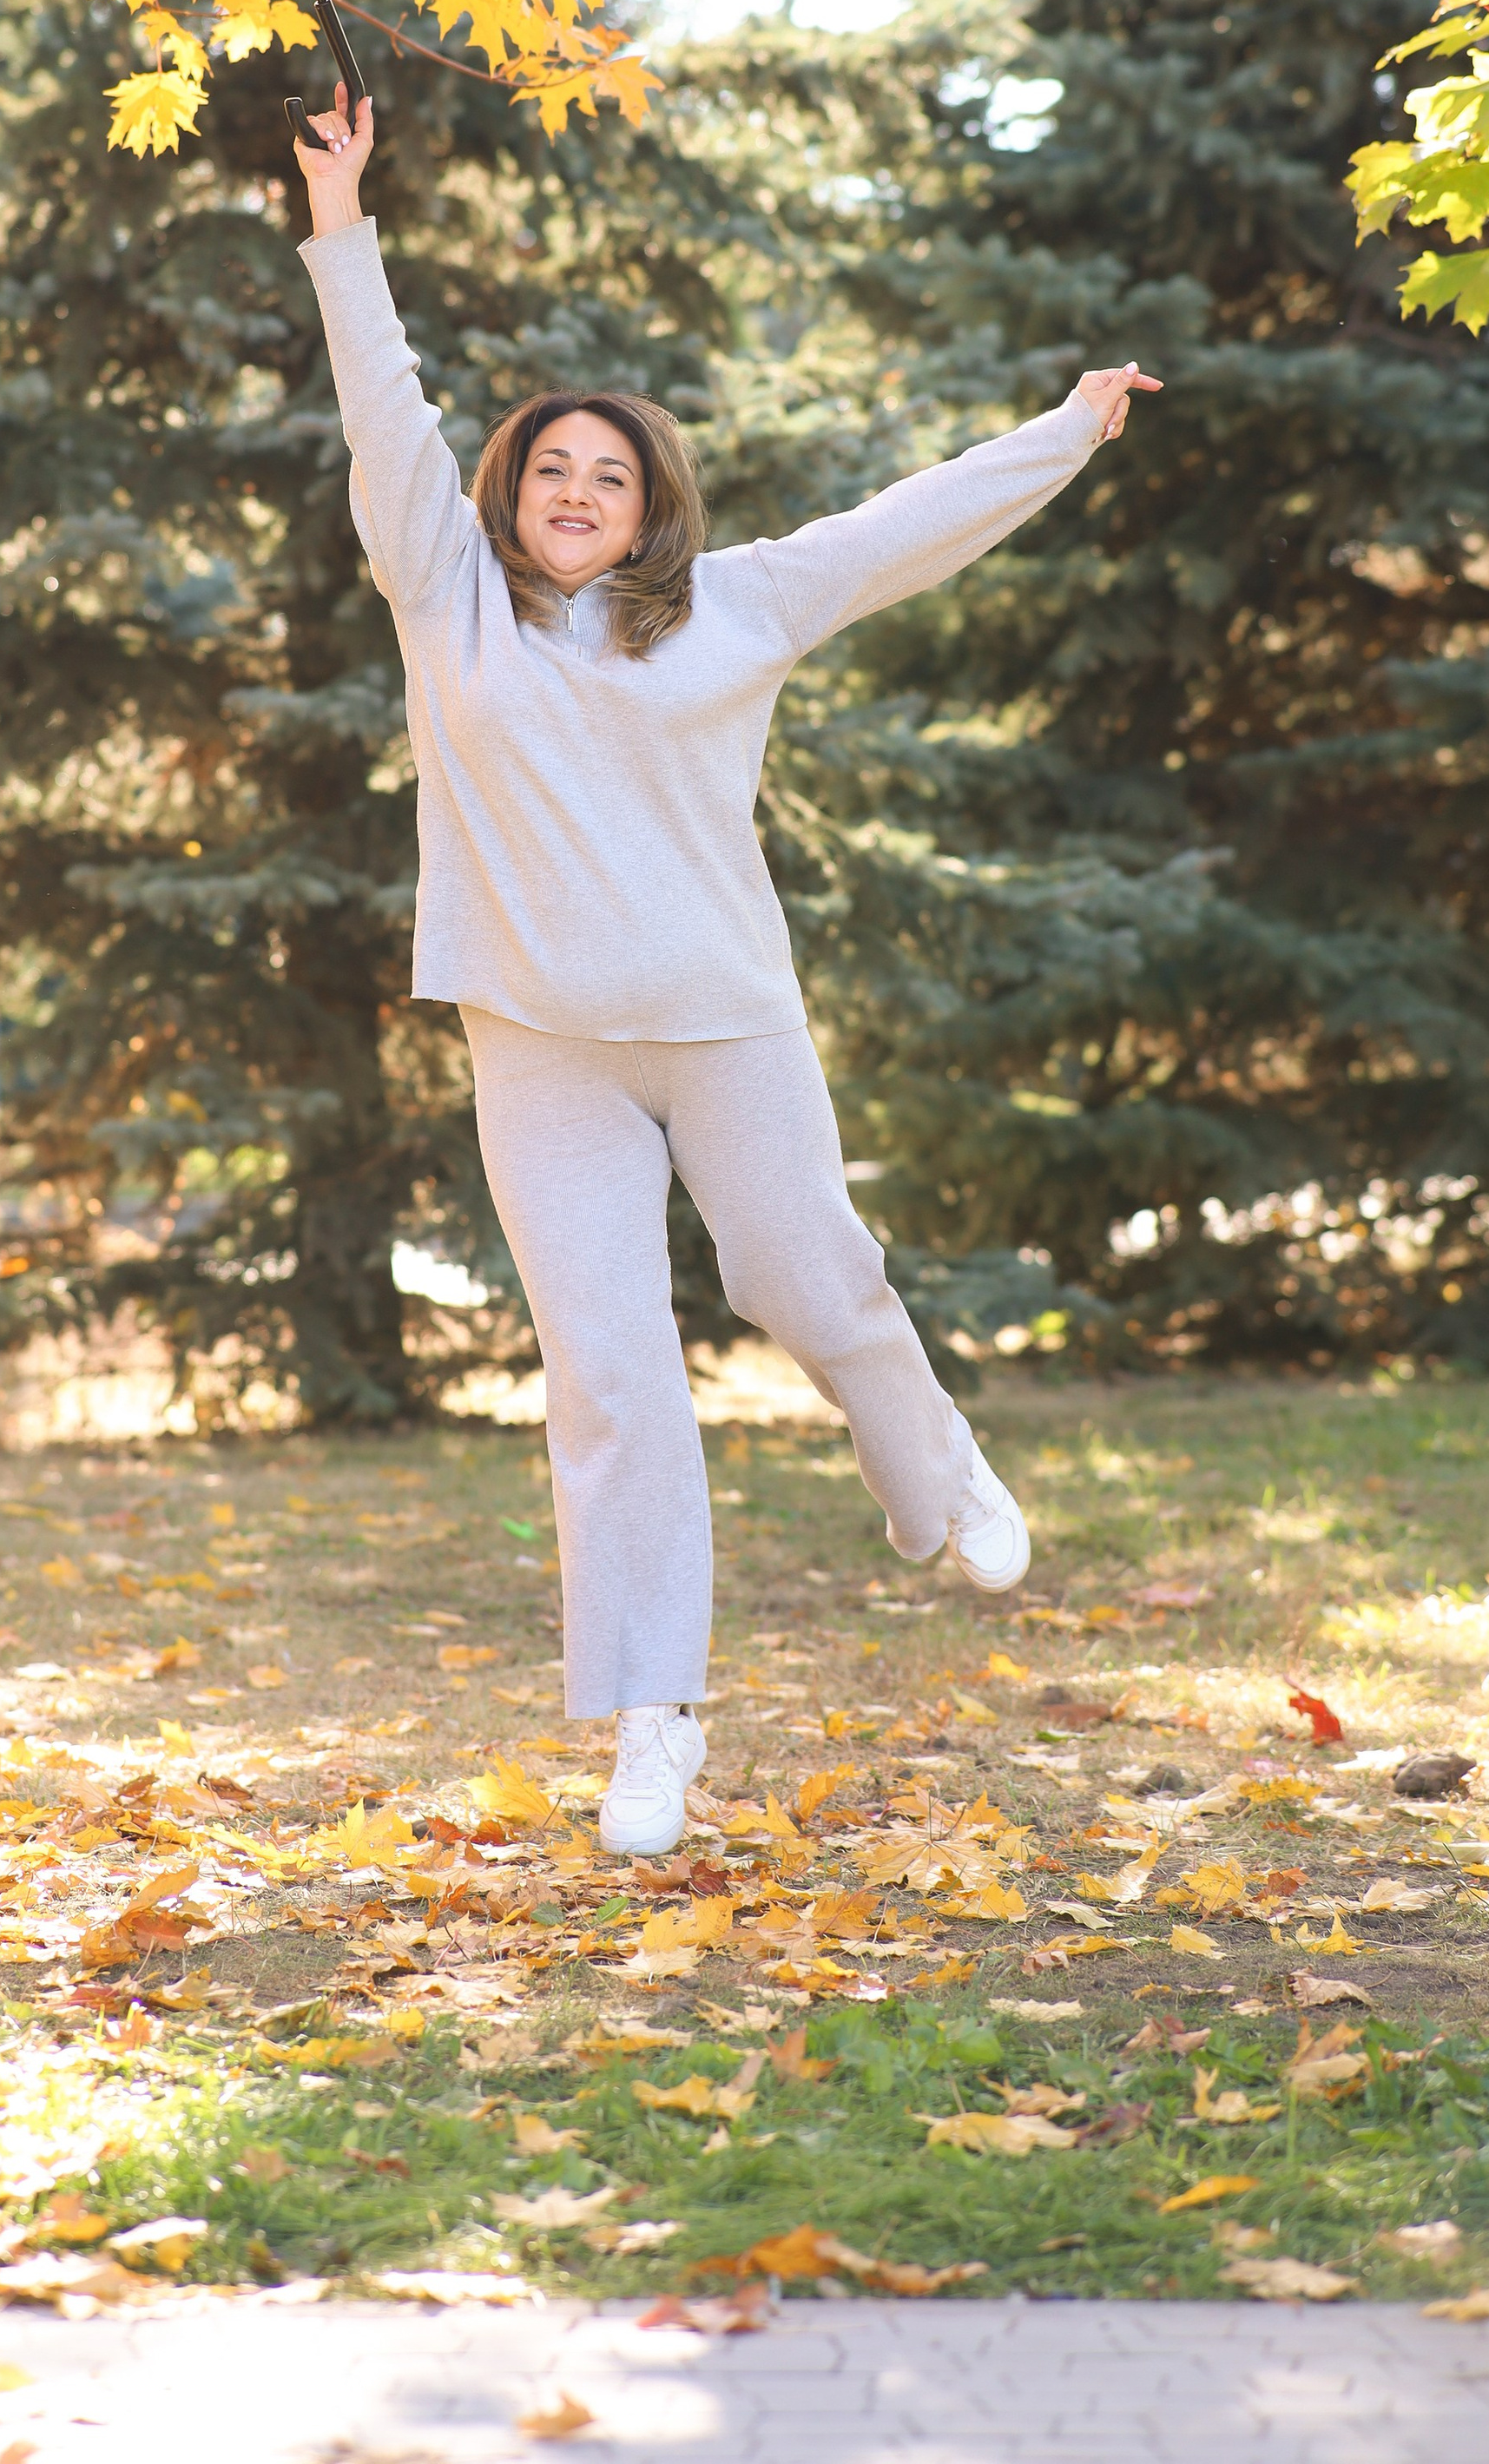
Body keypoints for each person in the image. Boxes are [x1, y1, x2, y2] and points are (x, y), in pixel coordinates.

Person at [293, 89, 1160, 1855]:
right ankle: (651, 1723)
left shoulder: (738, 603)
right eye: (549, 467)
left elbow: (905, 524)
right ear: (510, 490)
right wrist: (338, 223)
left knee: (805, 1283)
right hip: (542, 1047)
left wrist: (1062, 433)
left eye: (607, 475)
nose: (573, 493)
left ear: (649, 502)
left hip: (725, 1029)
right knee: (607, 1376)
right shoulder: (444, 595)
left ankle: (932, 1465)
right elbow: (384, 413)